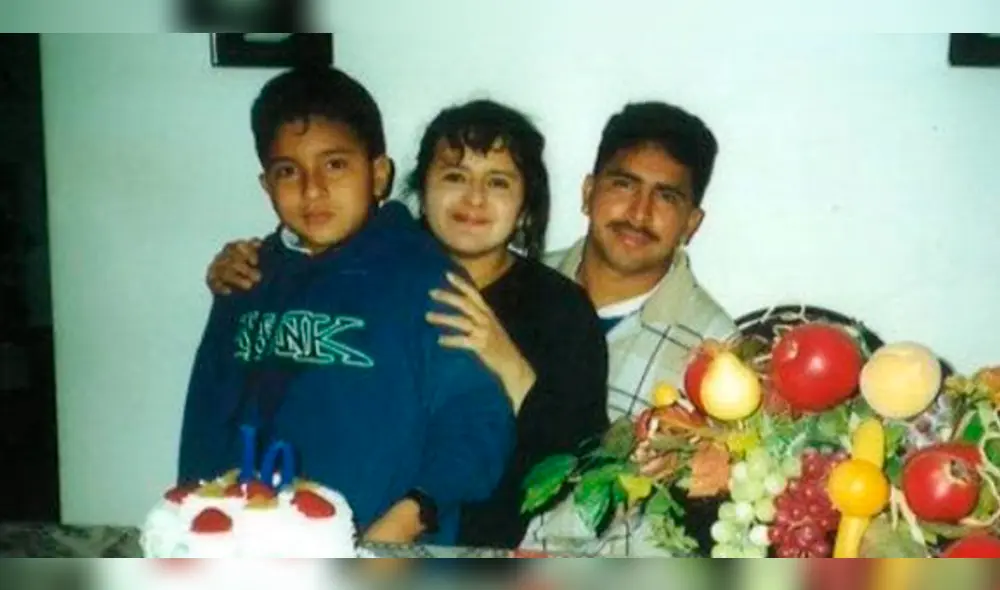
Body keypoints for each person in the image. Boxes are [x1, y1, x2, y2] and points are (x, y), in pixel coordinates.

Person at [204, 98, 609, 550]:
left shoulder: (559, 307)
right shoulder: (378, 276)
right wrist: (246, 265)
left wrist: (507, 362)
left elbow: (578, 458)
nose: (474, 199)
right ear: (421, 188)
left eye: (497, 182)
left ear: (525, 206)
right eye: (454, 177)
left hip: (488, 543)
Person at [177, 66, 515, 548]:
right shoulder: (246, 278)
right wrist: (196, 516)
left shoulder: (423, 280)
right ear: (266, 184)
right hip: (249, 547)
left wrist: (412, 514)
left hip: (381, 550)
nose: (312, 189)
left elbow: (477, 421)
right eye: (288, 171)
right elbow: (206, 416)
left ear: (378, 174)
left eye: (335, 164)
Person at [523, 101, 738, 556]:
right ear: (587, 192)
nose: (639, 213)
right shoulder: (517, 288)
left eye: (666, 196)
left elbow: (681, 530)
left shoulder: (715, 352)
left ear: (691, 223)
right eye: (624, 184)